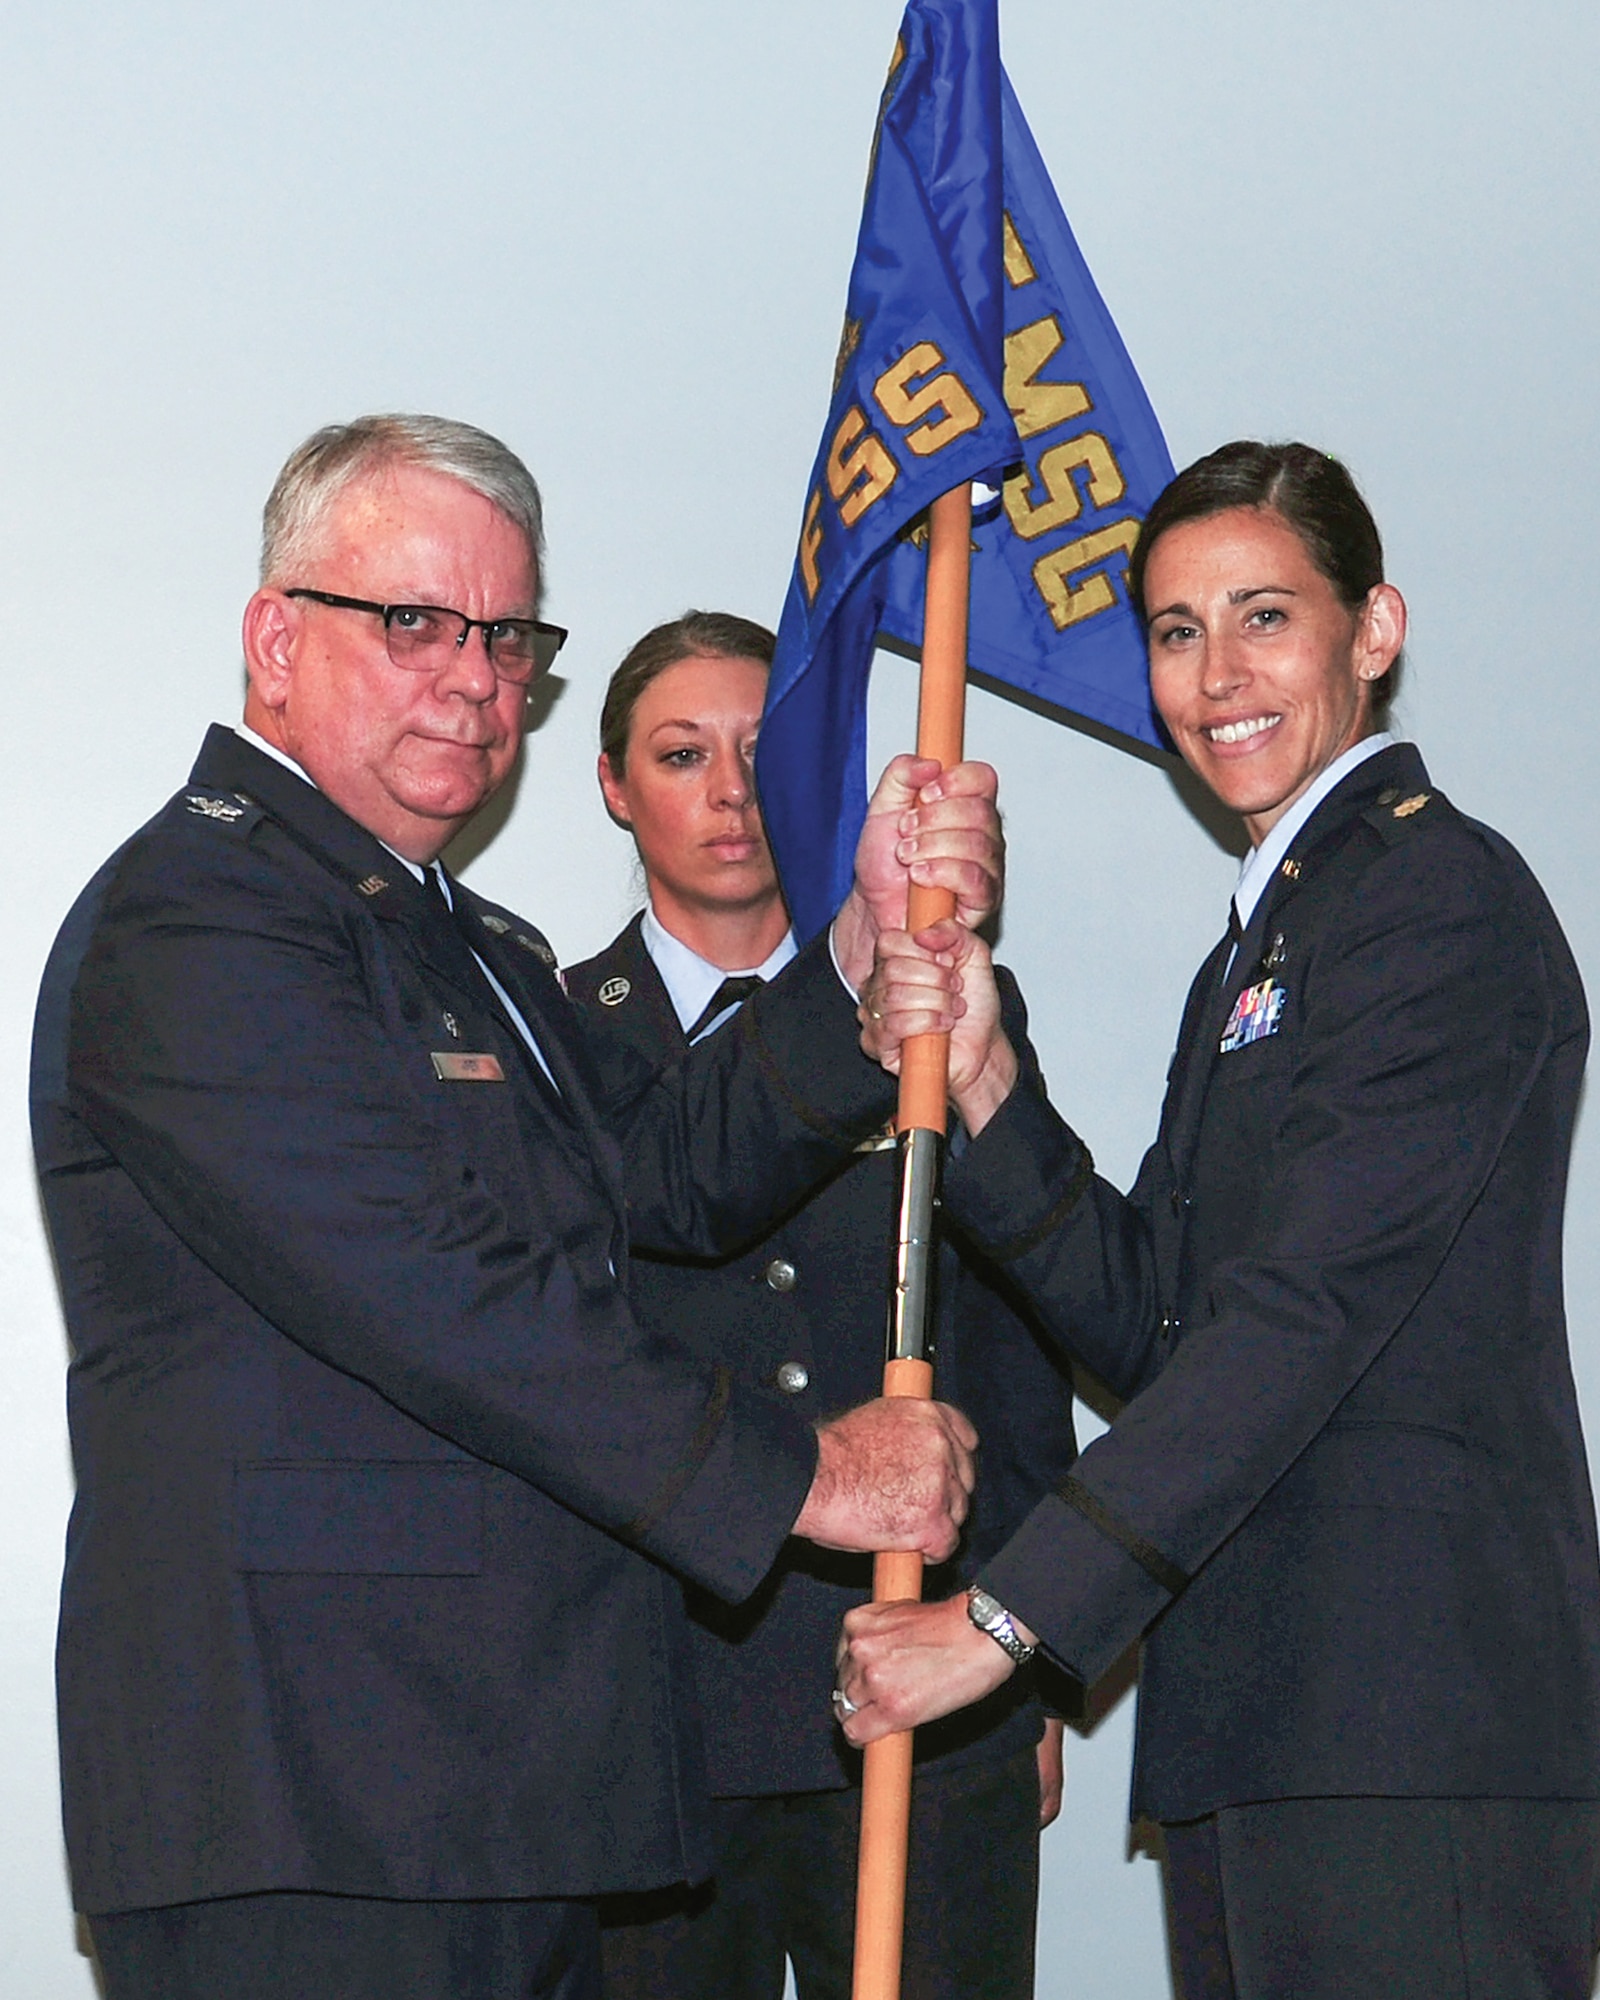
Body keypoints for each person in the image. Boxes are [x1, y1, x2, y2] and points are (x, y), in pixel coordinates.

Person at [29, 414, 1005, 2000]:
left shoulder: (471, 941)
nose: (476, 678)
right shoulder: (199, 918)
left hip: (493, 1794)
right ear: (277, 641)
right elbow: (432, 1288)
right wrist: (799, 1475)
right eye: (413, 621)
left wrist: (858, 947)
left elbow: (668, 1168)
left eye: (509, 637)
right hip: (318, 1799)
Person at [836, 442, 1600, 1998]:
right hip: (1259, 1717)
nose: (1216, 675)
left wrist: (1008, 1620)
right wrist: (986, 1088)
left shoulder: (1433, 899)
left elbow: (1303, 1317)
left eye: (1264, 616)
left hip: (1410, 1734)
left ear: (1371, 629)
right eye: (1177, 632)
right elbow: (1163, 1331)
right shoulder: (1267, 937)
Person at [562, 613, 1076, 2000]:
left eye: (763, 751)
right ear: (616, 785)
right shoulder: (549, 1033)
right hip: (658, 1715)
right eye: (683, 754)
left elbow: (1016, 1333)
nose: (730, 791)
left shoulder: (943, 1000)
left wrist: (1025, 1640)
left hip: (917, 1678)